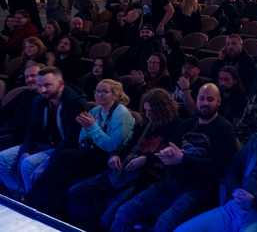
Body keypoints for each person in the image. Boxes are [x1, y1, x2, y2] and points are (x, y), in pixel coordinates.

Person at [110, 84, 239, 232]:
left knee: (164, 223)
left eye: (210, 99)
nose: (204, 103)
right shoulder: (187, 124)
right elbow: (169, 151)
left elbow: (221, 168)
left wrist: (183, 159)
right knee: (124, 212)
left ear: (218, 102)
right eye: (201, 98)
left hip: (198, 188)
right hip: (169, 181)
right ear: (196, 100)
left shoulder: (224, 129)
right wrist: (161, 156)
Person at [176, 103, 257, 232]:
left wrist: (255, 200)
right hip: (236, 206)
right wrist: (235, 190)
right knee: (182, 230)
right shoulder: (256, 140)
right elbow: (233, 167)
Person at [67, 88, 181, 231]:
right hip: (125, 170)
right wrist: (115, 155)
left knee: (112, 214)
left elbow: (170, 157)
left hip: (146, 178)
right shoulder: (146, 124)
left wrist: (146, 159)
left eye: (152, 111)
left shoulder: (176, 127)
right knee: (76, 192)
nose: (148, 115)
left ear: (162, 110)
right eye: (146, 111)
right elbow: (128, 144)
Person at [27, 79, 135, 217]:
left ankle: (36, 201)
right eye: (97, 91)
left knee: (64, 158)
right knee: (62, 160)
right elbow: (82, 138)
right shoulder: (96, 110)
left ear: (115, 95)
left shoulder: (121, 114)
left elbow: (112, 145)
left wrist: (92, 127)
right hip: (91, 151)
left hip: (110, 158)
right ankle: (44, 205)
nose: (99, 95)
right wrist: (90, 131)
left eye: (105, 92)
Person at [0, 67, 87, 197]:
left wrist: (49, 160)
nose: (42, 90)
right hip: (43, 143)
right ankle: (21, 194)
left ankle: (32, 201)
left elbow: (72, 139)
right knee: (2, 159)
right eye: (40, 85)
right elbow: (32, 130)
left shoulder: (74, 103)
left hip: (63, 148)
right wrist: (25, 151)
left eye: (47, 85)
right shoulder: (39, 100)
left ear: (61, 84)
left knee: (28, 164)